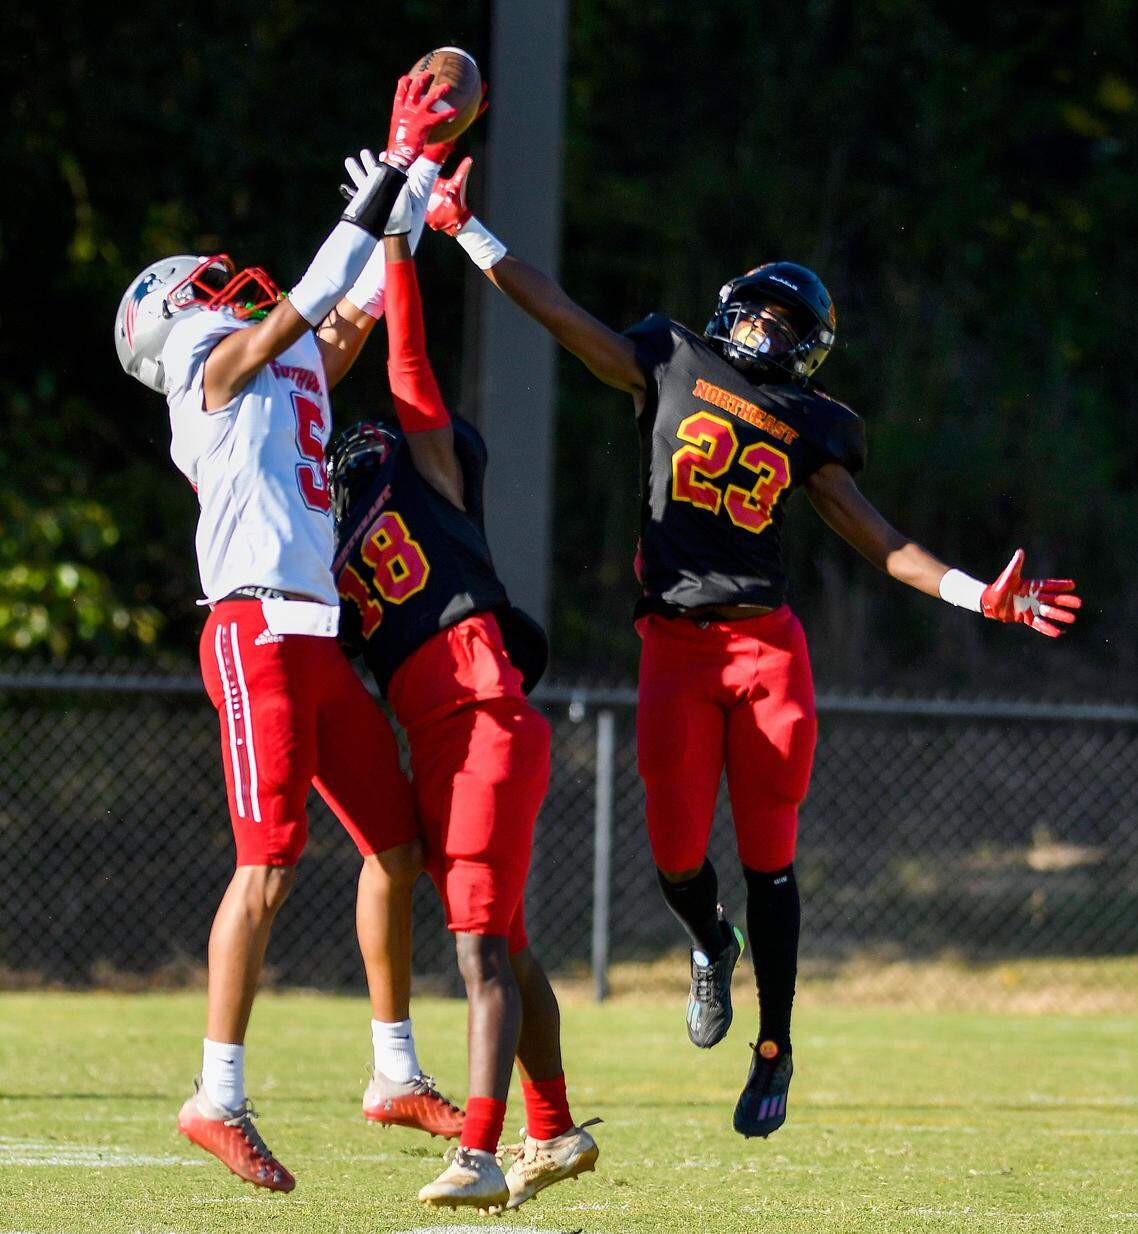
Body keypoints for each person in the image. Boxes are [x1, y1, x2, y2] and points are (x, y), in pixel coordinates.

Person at [423, 158, 1082, 1140]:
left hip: (766, 652)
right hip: (675, 648)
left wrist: (976, 593)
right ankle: (708, 942)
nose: (763, 329)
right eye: (757, 313)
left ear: (806, 350)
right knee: (677, 856)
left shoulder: (810, 423)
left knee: (772, 857)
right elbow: (563, 317)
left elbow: (877, 535)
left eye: (783, 323)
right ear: (730, 309)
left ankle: (774, 1045)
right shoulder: (668, 358)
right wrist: (467, 229)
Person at [112, 72, 464, 1192]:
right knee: (269, 861)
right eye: (207, 284)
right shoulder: (212, 376)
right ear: (178, 318)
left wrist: (406, 216)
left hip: (316, 637)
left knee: (397, 845)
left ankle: (392, 1072)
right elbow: (312, 294)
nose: (229, 281)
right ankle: (215, 1094)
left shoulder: (290, 359)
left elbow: (348, 309)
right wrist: (394, 166)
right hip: (254, 631)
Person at [327, 226, 599, 1213]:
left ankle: (480, 1153)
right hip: (439, 738)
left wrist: (397, 247)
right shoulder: (330, 543)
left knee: (481, 948)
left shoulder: (428, 478)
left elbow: (407, 363)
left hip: (482, 718)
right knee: (510, 946)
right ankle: (554, 1126)